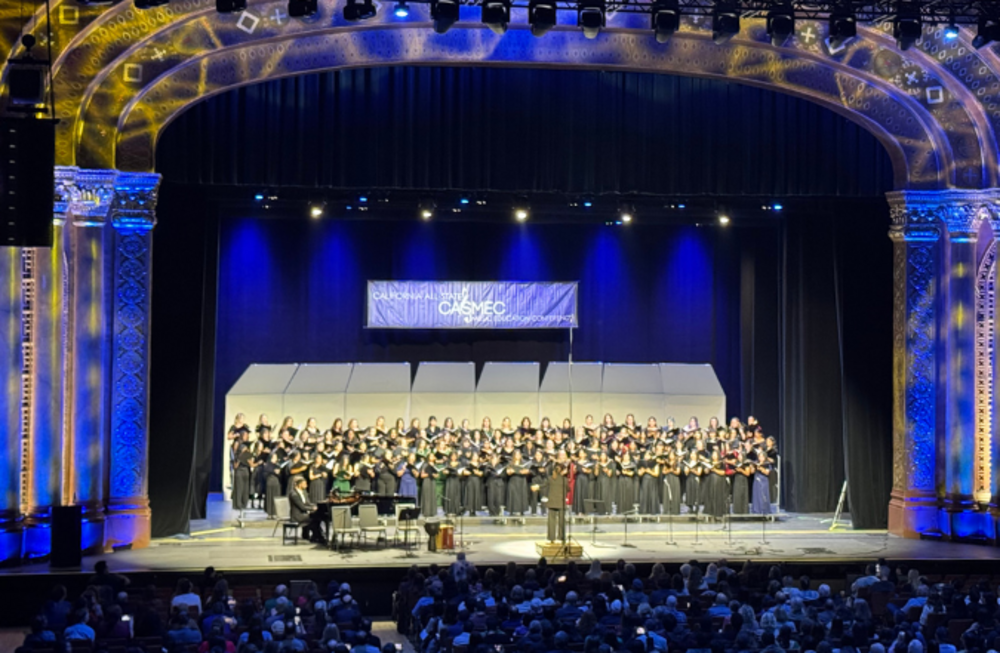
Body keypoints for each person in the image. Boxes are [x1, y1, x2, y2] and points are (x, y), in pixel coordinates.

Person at [288, 477, 326, 544]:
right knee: (315, 518)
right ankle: (317, 536)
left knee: (316, 518)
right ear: (299, 485)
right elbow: (302, 507)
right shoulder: (294, 494)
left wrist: (314, 506)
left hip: (304, 514)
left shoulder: (304, 492)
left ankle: (315, 536)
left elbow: (308, 503)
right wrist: (312, 509)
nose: (306, 485)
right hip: (297, 516)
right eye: (305, 484)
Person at [547, 464, 568, 543]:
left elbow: (544, 485)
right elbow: (568, 489)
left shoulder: (550, 478)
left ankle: (551, 538)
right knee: (561, 521)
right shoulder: (564, 480)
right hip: (561, 502)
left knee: (551, 520)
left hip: (552, 502)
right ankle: (561, 537)